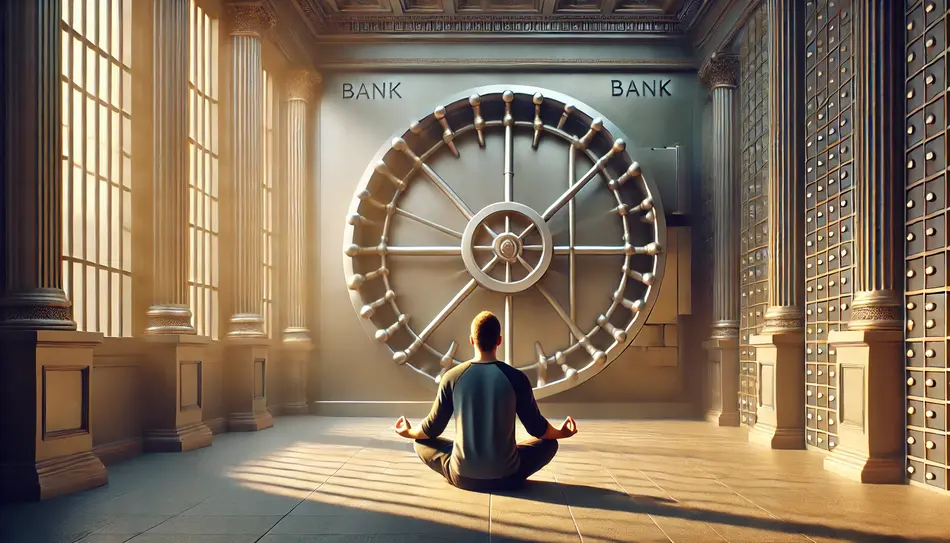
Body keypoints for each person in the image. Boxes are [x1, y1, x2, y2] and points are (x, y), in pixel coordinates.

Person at [394, 310, 578, 492]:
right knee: (550, 443)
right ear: (499, 340)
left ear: (472, 340)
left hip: (462, 477)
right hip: (508, 477)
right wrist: (562, 433)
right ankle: (505, 459)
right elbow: (538, 429)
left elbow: (431, 430)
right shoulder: (516, 378)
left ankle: (468, 465)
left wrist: (408, 431)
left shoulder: (451, 377)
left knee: (420, 442)